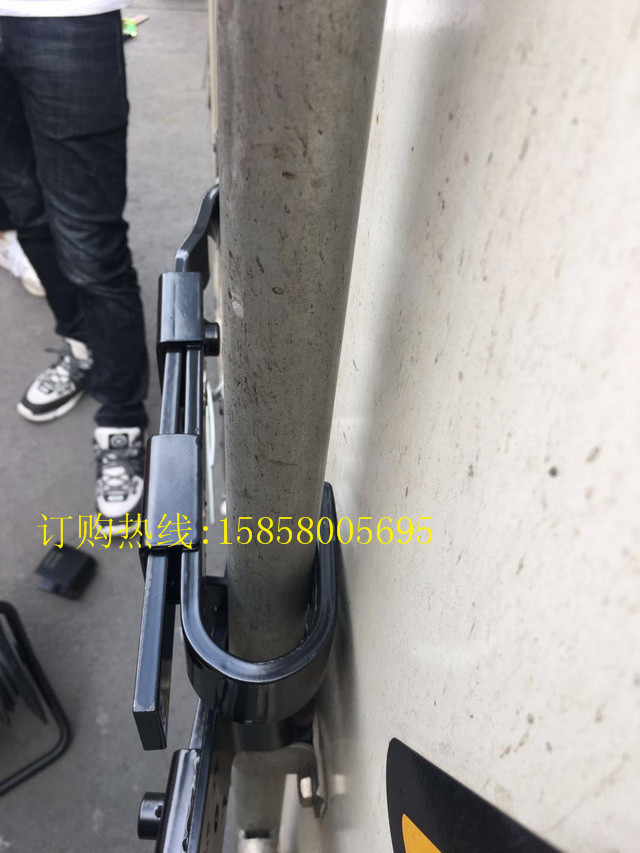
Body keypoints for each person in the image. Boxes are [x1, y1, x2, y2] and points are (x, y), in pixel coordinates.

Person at [0, 3, 148, 534]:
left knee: (91, 242)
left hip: (63, 13)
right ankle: (83, 347)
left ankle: (121, 415)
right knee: (26, 212)